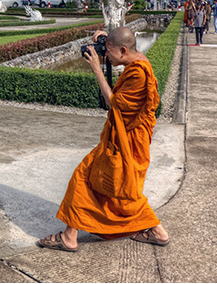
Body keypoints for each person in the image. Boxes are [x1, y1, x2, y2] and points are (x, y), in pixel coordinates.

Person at [37, 27, 169, 253]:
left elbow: (115, 103)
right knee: (115, 187)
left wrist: (98, 70)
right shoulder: (138, 59)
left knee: (89, 177)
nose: (105, 55)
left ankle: (69, 237)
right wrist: (108, 37)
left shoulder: (138, 74)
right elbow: (121, 47)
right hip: (125, 138)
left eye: (108, 51)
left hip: (127, 142)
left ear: (123, 50)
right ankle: (156, 231)